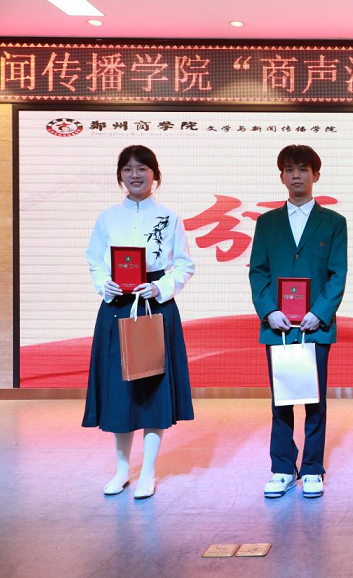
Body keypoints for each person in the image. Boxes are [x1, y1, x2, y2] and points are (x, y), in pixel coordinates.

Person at [83, 145, 195, 500]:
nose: (135, 174)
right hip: (117, 307)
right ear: (120, 176)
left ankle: (148, 472)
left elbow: (185, 264)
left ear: (155, 175)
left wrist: (160, 287)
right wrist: (104, 283)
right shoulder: (107, 218)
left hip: (154, 308)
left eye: (142, 168)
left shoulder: (169, 217)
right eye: (128, 169)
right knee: (120, 393)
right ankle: (121, 471)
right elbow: (95, 261)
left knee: (152, 392)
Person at [249, 144, 347, 499]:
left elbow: (337, 274)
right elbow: (258, 272)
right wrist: (269, 311)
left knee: (315, 401)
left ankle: (312, 469)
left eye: (303, 169)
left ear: (315, 175)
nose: (296, 176)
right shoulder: (266, 223)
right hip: (277, 327)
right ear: (281, 177)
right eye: (289, 169)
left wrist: (318, 313)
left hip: (315, 327)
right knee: (282, 400)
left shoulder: (334, 222)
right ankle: (281, 468)